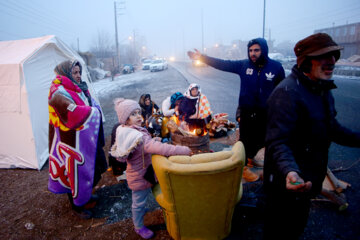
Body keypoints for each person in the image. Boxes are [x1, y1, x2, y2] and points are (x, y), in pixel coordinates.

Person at [263, 33, 360, 239]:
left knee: (297, 228)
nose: (332, 62)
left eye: (333, 56)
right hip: (287, 185)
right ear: (306, 62)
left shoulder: (322, 90)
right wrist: (290, 171)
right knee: (280, 232)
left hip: (307, 180)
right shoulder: (287, 93)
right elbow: (277, 142)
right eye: (323, 57)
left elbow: (332, 128)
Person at [188, 38, 285, 182]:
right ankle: (244, 167)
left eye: (256, 50)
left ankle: (251, 158)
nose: (253, 53)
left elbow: (282, 91)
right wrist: (202, 57)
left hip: (266, 113)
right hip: (247, 111)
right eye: (250, 50)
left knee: (263, 140)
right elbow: (223, 64)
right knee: (245, 141)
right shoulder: (243, 65)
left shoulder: (276, 68)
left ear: (264, 50)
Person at [110, 98, 191, 239]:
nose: (138, 116)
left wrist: (152, 141)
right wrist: (182, 150)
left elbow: (144, 146)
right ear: (125, 119)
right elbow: (159, 148)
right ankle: (138, 226)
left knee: (141, 199)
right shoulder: (138, 136)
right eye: (133, 114)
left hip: (141, 172)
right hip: (140, 177)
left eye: (138, 112)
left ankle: (140, 212)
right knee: (138, 203)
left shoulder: (127, 131)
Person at [48, 60, 108, 219]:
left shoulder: (78, 87)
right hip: (69, 141)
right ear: (66, 73)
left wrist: (92, 108)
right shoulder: (57, 91)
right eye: (74, 73)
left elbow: (86, 103)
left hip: (82, 138)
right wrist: (92, 112)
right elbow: (70, 111)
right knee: (73, 172)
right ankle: (77, 206)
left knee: (92, 168)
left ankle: (84, 196)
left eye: (79, 72)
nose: (78, 76)